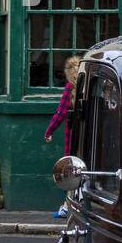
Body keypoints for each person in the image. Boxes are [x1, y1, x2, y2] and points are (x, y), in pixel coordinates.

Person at [44, 54, 81, 219]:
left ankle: (67, 206)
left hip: (73, 136)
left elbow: (60, 113)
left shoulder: (69, 89)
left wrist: (49, 131)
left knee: (70, 172)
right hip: (88, 138)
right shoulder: (88, 88)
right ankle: (74, 205)